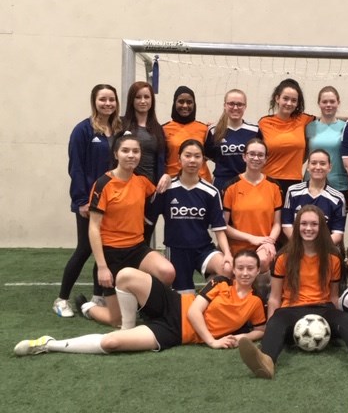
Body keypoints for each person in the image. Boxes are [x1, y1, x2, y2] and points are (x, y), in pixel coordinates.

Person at [237, 205, 348, 379]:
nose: (308, 228)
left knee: (345, 319)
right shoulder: (283, 257)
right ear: (297, 227)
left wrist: (347, 327)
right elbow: (274, 298)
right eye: (304, 224)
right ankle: (265, 362)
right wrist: (270, 328)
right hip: (290, 310)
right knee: (276, 323)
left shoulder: (333, 257)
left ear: (321, 228)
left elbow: (334, 297)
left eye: (314, 224)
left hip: (323, 309)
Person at [15, 251, 266, 356]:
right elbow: (195, 311)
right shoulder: (221, 282)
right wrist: (212, 341)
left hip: (173, 334)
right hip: (174, 304)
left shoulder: (255, 303)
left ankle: (49, 344)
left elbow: (261, 330)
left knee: (111, 343)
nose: (244, 273)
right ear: (233, 269)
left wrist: (242, 338)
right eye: (240, 268)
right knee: (125, 275)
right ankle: (127, 326)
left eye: (250, 269)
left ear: (257, 272)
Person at [77, 133, 175, 327]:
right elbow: (94, 227)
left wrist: (168, 177)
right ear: (116, 154)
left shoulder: (142, 182)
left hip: (137, 248)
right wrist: (102, 267)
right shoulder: (103, 184)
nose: (131, 155)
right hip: (112, 254)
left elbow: (159, 194)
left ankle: (147, 308)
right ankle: (88, 308)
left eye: (135, 151)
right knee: (117, 320)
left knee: (167, 272)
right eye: (126, 151)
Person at [53, 84, 123, 318]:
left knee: (104, 248)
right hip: (88, 201)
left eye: (111, 99)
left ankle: (98, 296)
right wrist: (82, 200)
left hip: (112, 201)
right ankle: (61, 299)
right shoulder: (83, 130)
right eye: (103, 99)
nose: (107, 104)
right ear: (94, 101)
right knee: (85, 248)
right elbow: (76, 168)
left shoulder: (119, 129)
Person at [146, 139, 233, 293]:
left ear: (203, 160)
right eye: (188, 156)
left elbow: (219, 229)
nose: (192, 160)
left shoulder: (211, 192)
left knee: (226, 268)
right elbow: (148, 221)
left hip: (203, 249)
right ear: (179, 159)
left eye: (197, 156)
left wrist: (227, 254)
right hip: (177, 251)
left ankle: (209, 294)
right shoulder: (166, 188)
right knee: (185, 301)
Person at [223, 138, 282, 273]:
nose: (256, 158)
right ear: (244, 156)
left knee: (259, 261)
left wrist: (269, 241)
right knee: (241, 264)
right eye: (252, 154)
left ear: (266, 158)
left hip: (263, 246)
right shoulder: (231, 187)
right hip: (238, 247)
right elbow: (224, 225)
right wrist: (251, 238)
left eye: (260, 155)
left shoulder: (274, 187)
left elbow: (277, 223)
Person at [258, 78, 315, 199]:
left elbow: (328, 118)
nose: (289, 103)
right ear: (277, 98)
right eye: (285, 98)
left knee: (289, 218)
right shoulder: (264, 122)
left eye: (294, 100)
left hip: (294, 183)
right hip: (268, 181)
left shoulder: (304, 120)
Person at [282, 149, 346, 246]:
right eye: (313, 163)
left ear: (330, 167)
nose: (318, 167)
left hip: (324, 249)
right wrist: (301, 246)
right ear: (307, 167)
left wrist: (317, 249)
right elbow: (286, 225)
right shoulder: (292, 191)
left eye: (323, 163)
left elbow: (338, 233)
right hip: (296, 247)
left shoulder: (338, 197)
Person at [204, 89, 260, 193]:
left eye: (239, 104)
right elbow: (209, 155)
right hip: (221, 184)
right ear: (225, 105)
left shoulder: (255, 130)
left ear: (245, 106)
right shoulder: (213, 130)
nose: (235, 107)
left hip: (247, 182)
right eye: (231, 104)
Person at [121, 81, 170, 191]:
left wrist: (166, 176)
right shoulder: (121, 125)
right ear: (131, 100)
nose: (143, 101)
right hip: (125, 189)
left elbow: (163, 161)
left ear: (152, 100)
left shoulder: (158, 129)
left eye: (146, 97)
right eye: (138, 97)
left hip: (151, 189)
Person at [305, 86, 348, 197]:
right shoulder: (309, 127)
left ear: (338, 102)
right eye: (324, 102)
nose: (328, 105)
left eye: (332, 101)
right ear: (319, 103)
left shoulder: (346, 127)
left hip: (338, 185)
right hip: (311, 184)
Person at [163, 86, 212, 183]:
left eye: (189, 102)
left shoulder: (205, 129)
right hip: (173, 182)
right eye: (181, 101)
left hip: (201, 182)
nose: (185, 105)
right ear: (174, 103)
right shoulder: (163, 129)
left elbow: (210, 154)